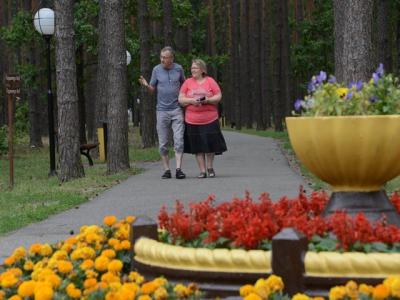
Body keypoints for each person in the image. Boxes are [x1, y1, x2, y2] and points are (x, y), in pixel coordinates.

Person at [138, 46, 186, 179]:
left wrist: (185, 98)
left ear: (172, 58)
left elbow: (185, 85)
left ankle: (178, 169)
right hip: (162, 111)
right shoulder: (156, 69)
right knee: (163, 142)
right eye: (161, 57)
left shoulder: (178, 68)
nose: (163, 60)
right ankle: (166, 170)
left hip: (176, 109)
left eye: (165, 57)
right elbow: (152, 89)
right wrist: (147, 85)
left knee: (179, 140)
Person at [178, 59, 227, 178]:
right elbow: (180, 99)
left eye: (195, 68)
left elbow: (218, 96)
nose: (193, 70)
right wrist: (191, 101)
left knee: (210, 145)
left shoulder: (210, 81)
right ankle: (202, 170)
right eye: (192, 68)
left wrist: (208, 100)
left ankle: (210, 168)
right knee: (198, 146)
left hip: (210, 119)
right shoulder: (187, 82)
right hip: (192, 120)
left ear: (202, 70)